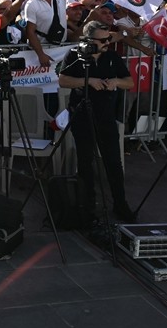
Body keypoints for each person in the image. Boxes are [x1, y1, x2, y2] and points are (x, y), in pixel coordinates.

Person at [57, 21, 137, 223]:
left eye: (109, 38)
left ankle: (120, 203)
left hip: (106, 115)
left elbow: (129, 82)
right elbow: (63, 80)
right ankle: (88, 205)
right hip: (82, 115)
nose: (107, 43)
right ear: (89, 40)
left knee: (113, 162)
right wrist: (88, 81)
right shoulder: (75, 55)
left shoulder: (111, 56)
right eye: (103, 40)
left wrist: (116, 82)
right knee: (85, 161)